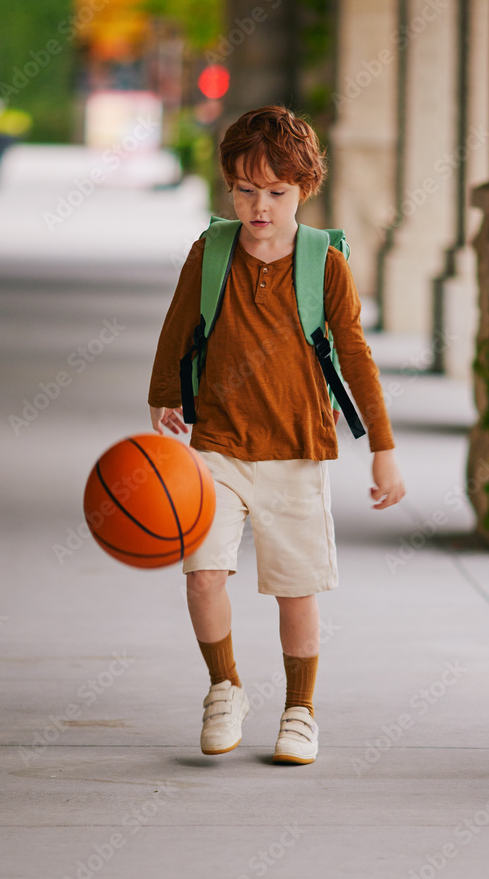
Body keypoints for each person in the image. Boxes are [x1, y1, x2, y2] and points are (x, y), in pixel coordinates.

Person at [148, 105, 405, 765]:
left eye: (276, 192)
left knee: (297, 590)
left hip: (297, 451)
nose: (259, 207)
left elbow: (355, 357)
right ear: (229, 187)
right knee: (203, 575)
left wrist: (383, 448)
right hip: (218, 448)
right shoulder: (210, 253)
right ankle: (224, 688)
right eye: (245, 189)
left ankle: (300, 710)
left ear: (304, 188)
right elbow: (180, 325)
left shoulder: (325, 266)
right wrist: (164, 395)